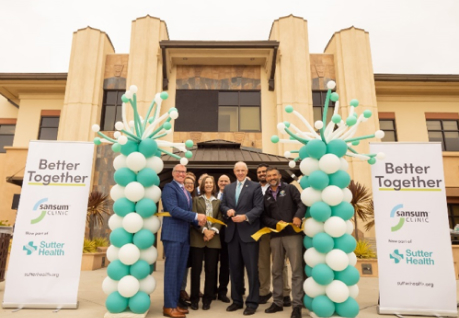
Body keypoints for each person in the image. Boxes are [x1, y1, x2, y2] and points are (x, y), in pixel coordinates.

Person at [161, 164, 207, 318]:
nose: (181, 174)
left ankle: (175, 304)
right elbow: (173, 210)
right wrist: (195, 217)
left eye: (183, 172)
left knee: (179, 273)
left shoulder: (184, 191)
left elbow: (187, 213)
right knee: (171, 273)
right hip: (173, 235)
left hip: (183, 236)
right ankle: (168, 306)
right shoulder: (169, 188)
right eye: (178, 172)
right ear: (173, 173)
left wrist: (196, 222)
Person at [220, 161, 264, 315]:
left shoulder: (255, 186)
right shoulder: (229, 187)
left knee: (252, 270)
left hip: (249, 233)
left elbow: (259, 208)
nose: (240, 173)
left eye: (242, 170)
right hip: (232, 234)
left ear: (246, 171)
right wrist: (228, 211)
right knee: (235, 269)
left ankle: (252, 302)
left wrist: (245, 216)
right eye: (237, 170)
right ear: (234, 171)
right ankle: (237, 300)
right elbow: (222, 205)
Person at [261, 167, 305, 318]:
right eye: (269, 176)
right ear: (266, 178)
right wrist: (274, 223)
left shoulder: (290, 188)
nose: (272, 177)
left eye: (274, 175)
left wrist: (298, 216)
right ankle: (277, 302)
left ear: (279, 176)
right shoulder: (266, 195)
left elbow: (302, 204)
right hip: (275, 236)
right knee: (277, 270)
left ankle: (297, 305)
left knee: (296, 270)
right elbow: (264, 217)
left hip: (293, 234)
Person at [257, 164, 292, 306]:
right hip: (262, 231)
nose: (262, 174)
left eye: (264, 172)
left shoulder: (283, 188)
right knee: (263, 263)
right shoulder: (254, 188)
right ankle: (264, 291)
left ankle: (285, 293)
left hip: (279, 231)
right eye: (260, 172)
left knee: (280, 264)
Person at [190, 175, 222, 310]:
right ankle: (194, 299)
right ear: (202, 185)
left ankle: (208, 299)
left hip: (213, 240)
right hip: (198, 239)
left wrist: (212, 232)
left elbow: (220, 218)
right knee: (196, 270)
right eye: (206, 183)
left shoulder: (219, 202)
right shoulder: (196, 200)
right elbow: (193, 216)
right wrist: (204, 231)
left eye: (211, 182)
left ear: (214, 186)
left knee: (211, 270)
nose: (208, 185)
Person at [179, 174, 197, 306]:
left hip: (194, 237)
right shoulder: (180, 197)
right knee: (181, 265)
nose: (189, 185)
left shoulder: (195, 199)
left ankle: (186, 290)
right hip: (181, 235)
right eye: (187, 183)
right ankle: (180, 291)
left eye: (192, 183)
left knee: (189, 265)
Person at [214, 174, 231, 303]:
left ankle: (222, 291)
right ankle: (211, 290)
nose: (223, 182)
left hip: (227, 233)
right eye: (221, 181)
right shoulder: (212, 194)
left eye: (226, 181)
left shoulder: (232, 195)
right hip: (213, 233)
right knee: (212, 263)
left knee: (225, 264)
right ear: (217, 183)